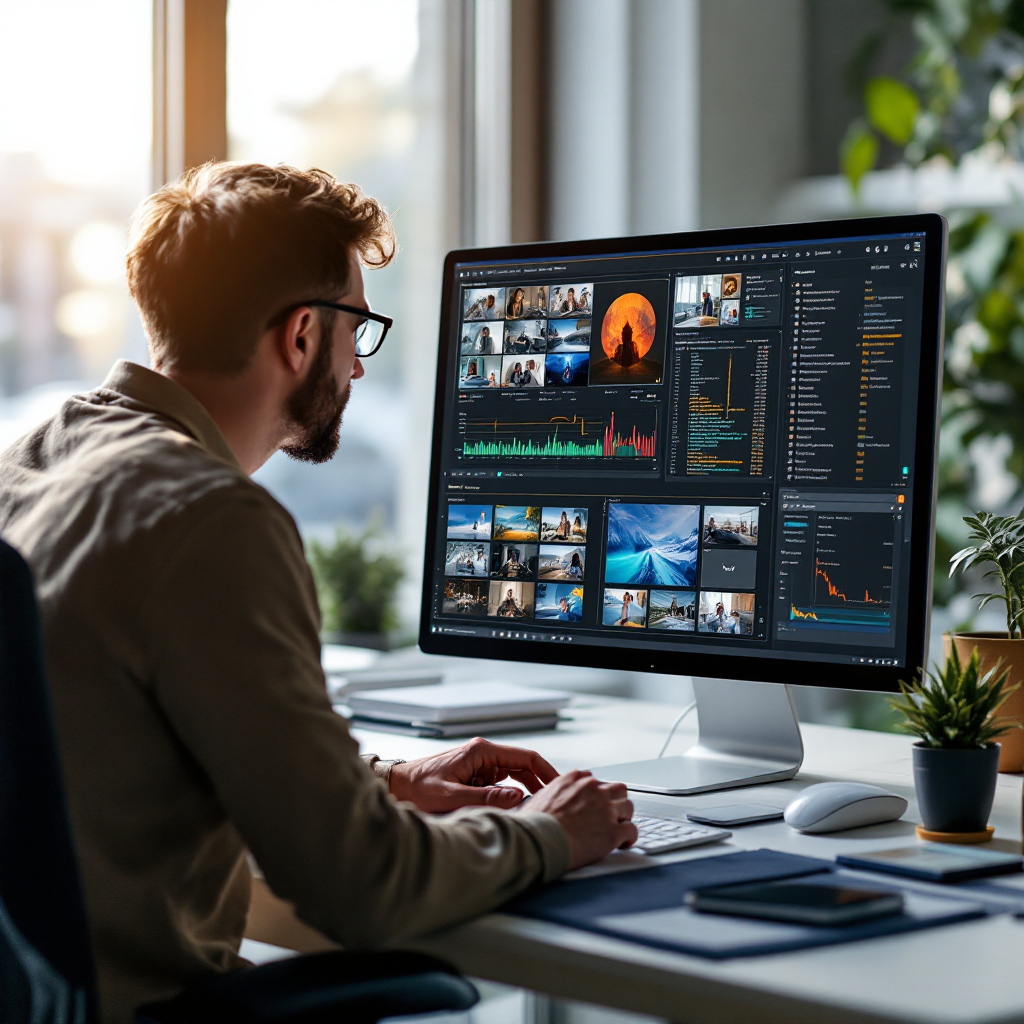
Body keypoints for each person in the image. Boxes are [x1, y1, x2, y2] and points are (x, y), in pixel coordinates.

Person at [0, 162, 636, 1023]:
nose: (359, 370)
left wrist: (377, 784)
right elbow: (362, 886)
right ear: (301, 335)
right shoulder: (211, 519)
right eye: (357, 332)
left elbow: (121, 738)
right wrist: (554, 832)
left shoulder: (34, 458)